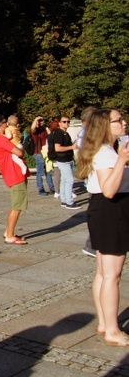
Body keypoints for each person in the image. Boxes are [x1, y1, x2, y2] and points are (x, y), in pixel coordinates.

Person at [75, 109, 129, 346]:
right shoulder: (107, 154)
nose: (124, 123)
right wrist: (123, 161)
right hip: (111, 211)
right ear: (106, 126)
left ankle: (105, 323)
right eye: (119, 121)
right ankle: (112, 330)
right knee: (111, 274)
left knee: (103, 272)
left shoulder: (106, 151)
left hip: (104, 211)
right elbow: (109, 189)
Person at [0, 114, 30, 245]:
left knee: (15, 205)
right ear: (0, 125)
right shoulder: (0, 139)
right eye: (4, 122)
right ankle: (10, 236)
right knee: (18, 206)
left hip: (14, 175)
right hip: (15, 175)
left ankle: (8, 231)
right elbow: (19, 152)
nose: (7, 124)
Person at [77, 106, 98, 256]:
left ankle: (92, 244)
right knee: (97, 212)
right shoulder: (88, 134)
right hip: (95, 176)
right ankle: (91, 245)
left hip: (93, 175)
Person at [52, 114, 80, 209]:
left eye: (68, 121)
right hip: (62, 159)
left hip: (66, 159)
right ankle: (69, 201)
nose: (66, 123)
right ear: (59, 123)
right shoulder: (59, 134)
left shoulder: (64, 133)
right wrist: (72, 147)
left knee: (64, 180)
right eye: (64, 121)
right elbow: (57, 148)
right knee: (69, 180)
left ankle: (64, 200)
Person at [30, 116, 55, 196]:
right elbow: (33, 128)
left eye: (42, 121)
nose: (40, 122)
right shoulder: (35, 131)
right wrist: (36, 119)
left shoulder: (44, 130)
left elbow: (51, 136)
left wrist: (45, 126)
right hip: (39, 153)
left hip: (46, 153)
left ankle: (51, 188)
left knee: (48, 171)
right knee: (40, 172)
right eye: (39, 121)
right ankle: (41, 188)